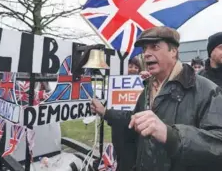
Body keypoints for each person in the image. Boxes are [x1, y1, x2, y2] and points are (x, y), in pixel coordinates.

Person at [91, 26, 222, 170]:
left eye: (155, 47)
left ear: (173, 51)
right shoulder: (147, 89)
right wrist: (105, 112)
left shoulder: (207, 90)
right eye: (144, 49)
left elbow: (217, 145)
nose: (146, 53)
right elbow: (135, 120)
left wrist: (170, 135)